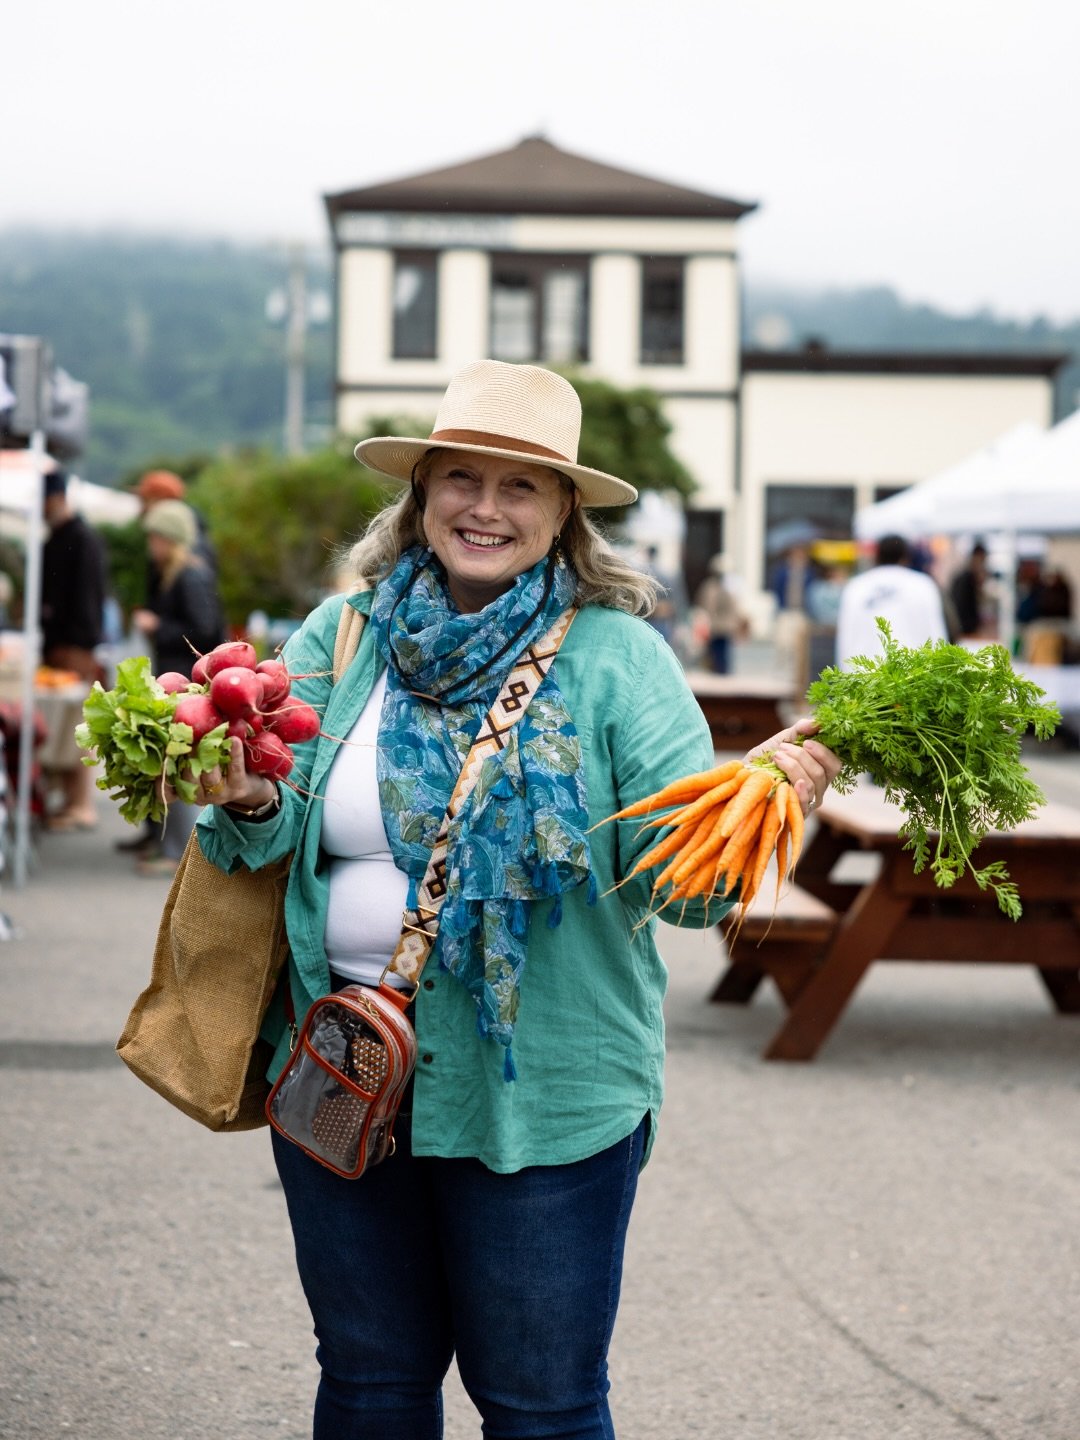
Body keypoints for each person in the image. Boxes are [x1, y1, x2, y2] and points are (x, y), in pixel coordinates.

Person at [183, 360, 841, 1439]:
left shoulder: (620, 661)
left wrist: (763, 801)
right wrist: (248, 796)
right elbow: (268, 836)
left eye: (522, 485)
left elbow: (686, 899)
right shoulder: (341, 641)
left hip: (549, 1095)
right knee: (368, 1384)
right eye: (462, 478)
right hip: (342, 1069)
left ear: (565, 511)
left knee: (540, 1405)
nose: (486, 506)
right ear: (421, 493)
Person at [131, 499, 224, 875]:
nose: (150, 545)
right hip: (179, 681)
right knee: (176, 768)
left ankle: (179, 853)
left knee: (182, 769)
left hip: (187, 684)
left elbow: (203, 632)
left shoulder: (190, 575)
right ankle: (172, 849)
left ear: (170, 538)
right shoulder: (174, 572)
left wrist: (158, 627)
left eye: (155, 537)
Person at [39, 469, 108, 831]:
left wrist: (82, 644)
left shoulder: (81, 539)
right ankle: (70, 800)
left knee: (79, 727)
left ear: (56, 498)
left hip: (77, 646)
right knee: (66, 727)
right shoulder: (59, 538)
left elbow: (86, 599)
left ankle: (82, 804)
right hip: (62, 645)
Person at [835, 533, 950, 670]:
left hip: (862, 679)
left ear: (876, 557)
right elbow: (937, 634)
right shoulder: (923, 585)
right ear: (905, 557)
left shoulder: (856, 587)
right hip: (915, 679)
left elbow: (845, 637)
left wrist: (844, 677)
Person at [693, 553, 747, 673]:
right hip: (714, 627)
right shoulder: (710, 586)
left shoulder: (730, 586)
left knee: (724, 656)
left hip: (724, 627)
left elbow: (734, 608)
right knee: (714, 656)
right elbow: (706, 606)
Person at [948, 540, 990, 639]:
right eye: (982, 559)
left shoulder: (967, 577)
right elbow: (960, 607)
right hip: (964, 631)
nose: (982, 563)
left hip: (964, 629)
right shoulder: (965, 579)